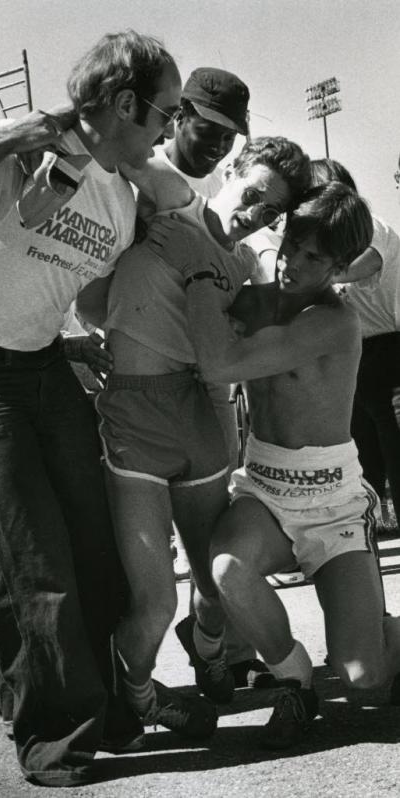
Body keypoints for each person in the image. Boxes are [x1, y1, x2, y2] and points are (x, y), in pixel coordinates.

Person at [0, 30, 182, 788]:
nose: (170, 130)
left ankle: (111, 711)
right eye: (167, 113)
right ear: (126, 102)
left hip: (44, 367)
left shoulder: (123, 199)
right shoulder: (18, 153)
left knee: (95, 549)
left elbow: (84, 300)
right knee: (33, 565)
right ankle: (57, 739)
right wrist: (1, 134)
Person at [171, 180, 400, 749]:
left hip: (334, 507)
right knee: (227, 570)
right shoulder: (257, 296)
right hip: (266, 494)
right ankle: (294, 683)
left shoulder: (334, 321)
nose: (292, 262)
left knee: (364, 679)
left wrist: (200, 273)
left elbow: (220, 363)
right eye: (291, 244)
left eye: (312, 256)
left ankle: (386, 633)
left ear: (341, 266)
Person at [92, 135, 310, 722]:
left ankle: (209, 651)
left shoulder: (245, 265)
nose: (257, 213)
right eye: (255, 193)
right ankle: (138, 701)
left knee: (213, 585)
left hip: (197, 414)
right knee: (156, 601)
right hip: (134, 416)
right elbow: (110, 138)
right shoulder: (174, 199)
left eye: (272, 211)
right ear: (233, 168)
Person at [151, 66, 271, 684]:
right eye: (209, 127)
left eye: (231, 135)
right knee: (144, 557)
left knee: (210, 538)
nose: (220, 144)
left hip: (209, 385)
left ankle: (220, 645)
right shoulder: (140, 175)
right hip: (138, 384)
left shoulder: (218, 197)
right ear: (177, 114)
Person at [310, 159, 400, 533]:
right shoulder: (329, 246)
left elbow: (360, 266)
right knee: (362, 454)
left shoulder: (372, 227)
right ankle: (360, 536)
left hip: (391, 350)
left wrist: (307, 272)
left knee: (396, 445)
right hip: (355, 357)